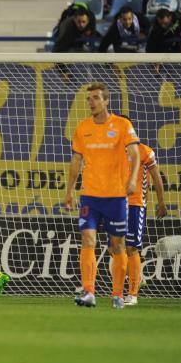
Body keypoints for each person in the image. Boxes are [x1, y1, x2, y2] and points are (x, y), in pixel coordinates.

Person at [64, 83, 140, 309]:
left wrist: (133, 179)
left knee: (117, 246)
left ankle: (117, 294)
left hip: (116, 197)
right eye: (89, 98)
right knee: (88, 240)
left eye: (96, 98)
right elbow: (76, 161)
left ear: (106, 101)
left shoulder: (122, 125)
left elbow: (135, 154)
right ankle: (89, 292)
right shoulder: (82, 128)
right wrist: (69, 190)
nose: (92, 102)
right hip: (90, 196)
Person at [117, 115, 167, 307]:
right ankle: (135, 276)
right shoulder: (113, 152)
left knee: (131, 247)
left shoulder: (144, 151)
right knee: (115, 248)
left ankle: (133, 294)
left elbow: (156, 177)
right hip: (115, 204)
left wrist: (161, 202)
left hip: (135, 205)